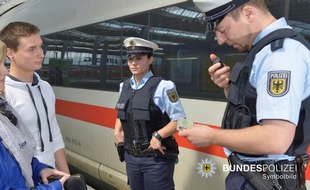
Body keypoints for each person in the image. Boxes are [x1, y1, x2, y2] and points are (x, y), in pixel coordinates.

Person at [178, 0, 310, 190]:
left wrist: (211, 136)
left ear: (249, 13)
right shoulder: (264, 51)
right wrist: (230, 89)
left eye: (222, 30)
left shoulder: (280, 56)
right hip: (256, 177)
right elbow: (254, 112)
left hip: (268, 181)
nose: (221, 40)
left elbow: (276, 138)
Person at [0, 32, 70, 189]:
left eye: (3, 64)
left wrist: (38, 168)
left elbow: (16, 153)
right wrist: (51, 188)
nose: (5, 71)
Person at [114, 37, 186, 190]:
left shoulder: (164, 86)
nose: (134, 63)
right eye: (130, 58)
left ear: (150, 59)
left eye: (139, 58)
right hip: (131, 157)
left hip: (155, 159)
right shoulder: (124, 86)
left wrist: (158, 136)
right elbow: (124, 112)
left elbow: (181, 120)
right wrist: (117, 131)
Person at [0, 21, 70, 174]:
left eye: (40, 46)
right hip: (25, 177)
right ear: (10, 53)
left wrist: (66, 176)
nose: (41, 54)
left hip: (51, 175)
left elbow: (54, 133)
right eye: (32, 49)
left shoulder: (45, 88)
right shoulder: (2, 93)